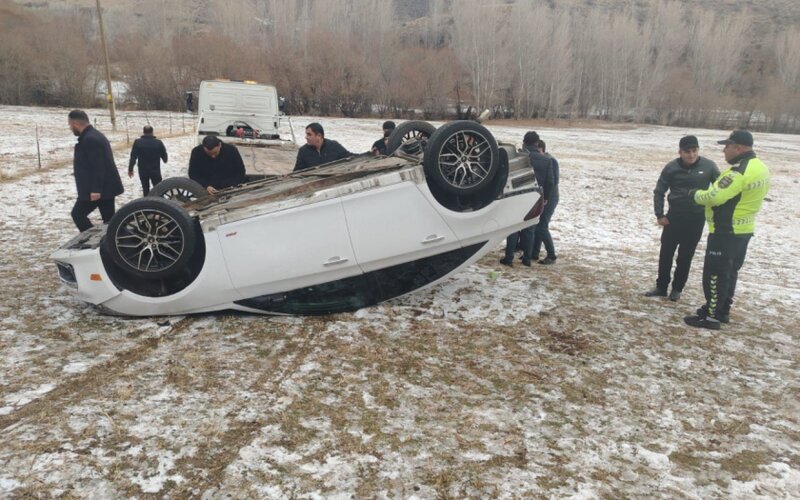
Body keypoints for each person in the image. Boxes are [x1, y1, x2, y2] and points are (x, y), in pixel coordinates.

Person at [684, 130, 770, 330]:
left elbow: (714, 196)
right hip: (744, 229)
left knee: (715, 274)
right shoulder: (761, 167)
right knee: (730, 273)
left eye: (727, 146)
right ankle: (721, 310)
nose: (724, 150)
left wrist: (695, 194)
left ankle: (712, 317)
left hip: (726, 230)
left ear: (738, 148)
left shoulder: (738, 172)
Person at [644, 135, 720, 301]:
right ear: (680, 152)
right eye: (687, 152)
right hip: (673, 218)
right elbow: (659, 191)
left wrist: (716, 211)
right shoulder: (671, 168)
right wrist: (660, 214)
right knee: (666, 254)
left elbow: (720, 190)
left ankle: (677, 289)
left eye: (695, 151)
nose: (691, 155)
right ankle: (661, 287)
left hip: (696, 219)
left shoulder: (709, 167)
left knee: (685, 256)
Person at [500, 131, 554, 267]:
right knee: (530, 228)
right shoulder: (547, 160)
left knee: (513, 227)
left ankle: (509, 258)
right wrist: (546, 198)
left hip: (516, 195)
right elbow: (550, 182)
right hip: (535, 196)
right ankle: (527, 259)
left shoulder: (516, 157)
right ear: (537, 143)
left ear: (524, 142)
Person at [68, 109, 124, 232]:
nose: (70, 128)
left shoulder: (90, 139)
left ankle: (95, 240)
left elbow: (99, 166)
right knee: (110, 221)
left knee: (78, 214)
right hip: (105, 187)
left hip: (97, 190)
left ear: (76, 123)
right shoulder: (93, 135)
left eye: (70, 125)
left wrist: (96, 190)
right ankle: (111, 243)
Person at [531, 139, 560, 265]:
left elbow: (553, 182)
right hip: (543, 196)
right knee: (538, 224)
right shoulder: (544, 160)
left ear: (541, 149)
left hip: (550, 197)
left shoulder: (550, 161)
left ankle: (552, 255)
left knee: (542, 226)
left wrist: (546, 198)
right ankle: (534, 253)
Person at [128, 125, 168, 196]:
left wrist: (130, 169)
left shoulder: (138, 142)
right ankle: (159, 203)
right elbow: (165, 158)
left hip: (143, 170)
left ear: (143, 132)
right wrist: (164, 159)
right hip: (155, 170)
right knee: (158, 188)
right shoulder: (158, 143)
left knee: (145, 188)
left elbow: (133, 157)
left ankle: (147, 203)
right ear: (152, 132)